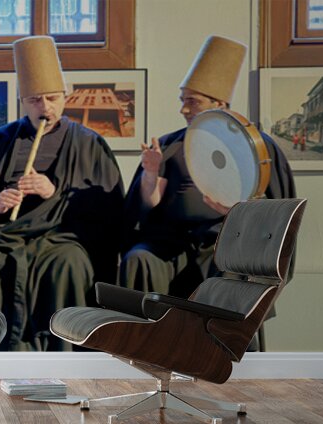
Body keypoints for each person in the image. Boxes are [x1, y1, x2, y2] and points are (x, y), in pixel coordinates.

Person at [0, 36, 125, 351]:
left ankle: (62, 351)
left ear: (65, 97)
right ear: (23, 102)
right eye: (35, 100)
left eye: (53, 98)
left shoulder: (89, 143)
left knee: (69, 263)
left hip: (60, 237)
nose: (46, 108)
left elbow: (107, 212)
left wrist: (54, 193)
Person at [121, 36, 296, 297]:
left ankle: (218, 339)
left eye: (192, 101)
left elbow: (274, 217)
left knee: (233, 268)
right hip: (170, 243)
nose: (183, 109)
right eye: (182, 99)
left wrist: (235, 212)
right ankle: (149, 336)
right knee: (139, 258)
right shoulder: (170, 144)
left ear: (219, 103)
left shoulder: (258, 147)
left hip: (227, 243)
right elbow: (147, 207)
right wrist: (150, 173)